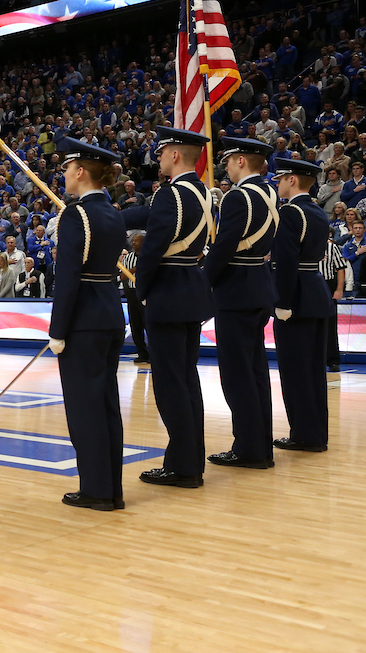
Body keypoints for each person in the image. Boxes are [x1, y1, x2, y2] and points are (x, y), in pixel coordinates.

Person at [123, 126, 215, 489]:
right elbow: (148, 216)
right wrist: (111, 215)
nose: (158, 157)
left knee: (170, 384)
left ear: (175, 155)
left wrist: (142, 291)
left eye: (162, 152)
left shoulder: (170, 194)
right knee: (186, 381)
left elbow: (152, 249)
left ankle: (183, 468)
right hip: (191, 291)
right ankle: (189, 460)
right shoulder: (203, 192)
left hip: (167, 294)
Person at [47, 138, 127, 511]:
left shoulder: (75, 215)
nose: (63, 174)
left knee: (85, 409)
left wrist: (57, 330)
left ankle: (96, 490)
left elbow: (68, 277)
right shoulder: (112, 212)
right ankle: (111, 487)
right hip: (110, 312)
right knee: (106, 404)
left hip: (83, 320)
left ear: (80, 172)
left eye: (67, 168)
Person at [200, 138, 280, 469]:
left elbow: (225, 247)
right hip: (259, 284)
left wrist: (203, 283)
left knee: (237, 375)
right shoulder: (270, 193)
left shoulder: (238, 197)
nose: (227, 166)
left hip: (236, 291)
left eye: (231, 160)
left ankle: (247, 448)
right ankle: (260, 445)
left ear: (242, 162)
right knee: (256, 372)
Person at [272, 158, 336, 452]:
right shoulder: (317, 212)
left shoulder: (290, 213)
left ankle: (303, 435)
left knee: (295, 370)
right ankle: (315, 433)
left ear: (293, 180)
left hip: (296, 297)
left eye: (282, 177)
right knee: (312, 371)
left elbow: (285, 262)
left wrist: (282, 303)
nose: (278, 182)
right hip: (316, 293)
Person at [320, 229, 348, 371]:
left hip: (328, 285)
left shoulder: (331, 247)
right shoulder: (304, 246)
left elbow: (340, 268)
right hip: (310, 286)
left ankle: (332, 360)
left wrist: (339, 289)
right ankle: (313, 359)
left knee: (330, 325)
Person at [121, 233, 149, 363]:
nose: (133, 242)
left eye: (137, 241)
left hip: (146, 293)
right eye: (133, 240)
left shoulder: (149, 256)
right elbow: (122, 276)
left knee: (148, 325)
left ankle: (154, 354)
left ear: (143, 242)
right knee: (135, 325)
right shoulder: (129, 257)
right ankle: (141, 353)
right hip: (131, 293)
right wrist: (134, 270)